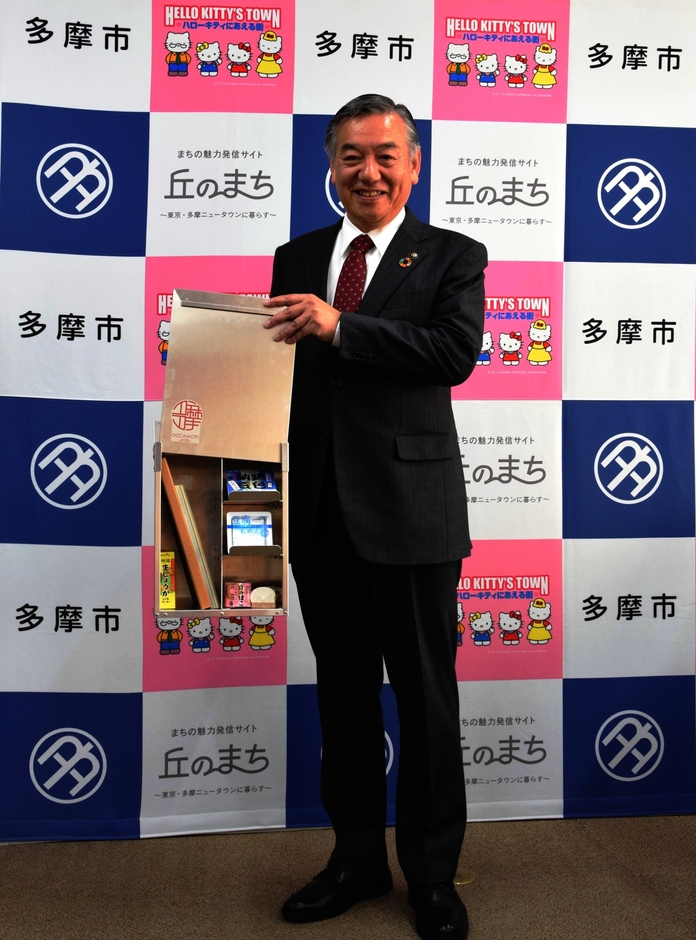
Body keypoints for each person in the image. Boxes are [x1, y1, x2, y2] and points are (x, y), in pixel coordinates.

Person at [263, 94, 486, 940]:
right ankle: (355, 860)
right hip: (320, 511)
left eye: (385, 155)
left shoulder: (453, 254)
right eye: (351, 156)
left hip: (413, 512)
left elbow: (452, 354)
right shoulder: (296, 255)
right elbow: (273, 372)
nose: (369, 171)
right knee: (344, 699)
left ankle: (432, 877)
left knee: (427, 703)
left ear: (413, 164)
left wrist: (343, 327)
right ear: (330, 166)